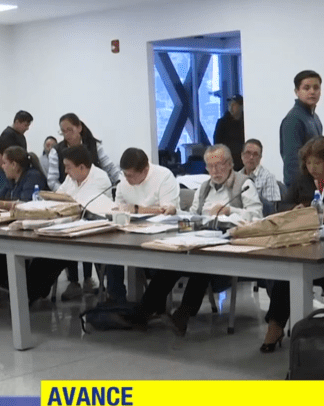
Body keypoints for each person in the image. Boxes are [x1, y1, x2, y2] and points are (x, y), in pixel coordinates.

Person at [135, 145, 262, 335]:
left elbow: (257, 216)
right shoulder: (204, 187)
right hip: (201, 237)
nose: (214, 171)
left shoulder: (244, 184)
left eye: (219, 165)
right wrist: (175, 213)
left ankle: (183, 314)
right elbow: (194, 215)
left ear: (230, 164)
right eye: (210, 166)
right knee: (172, 261)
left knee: (202, 262)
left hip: (229, 243)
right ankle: (143, 312)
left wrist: (230, 210)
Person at [260, 136, 324, 353]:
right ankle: (275, 326)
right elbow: (283, 204)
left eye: (317, 163)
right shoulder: (301, 181)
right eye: (309, 163)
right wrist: (293, 209)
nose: (312, 168)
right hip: (306, 243)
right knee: (287, 273)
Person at [27, 146, 113, 306]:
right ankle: (30, 294)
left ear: (82, 167)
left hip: (94, 235)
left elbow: (81, 204)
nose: (65, 171)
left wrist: (67, 203)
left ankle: (32, 293)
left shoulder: (100, 178)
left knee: (52, 258)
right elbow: (58, 198)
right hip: (70, 231)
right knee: (42, 257)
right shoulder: (71, 178)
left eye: (68, 167)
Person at [102, 148, 180, 303]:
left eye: (131, 175)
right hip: (131, 231)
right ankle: (117, 300)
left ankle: (153, 305)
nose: (127, 179)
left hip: (161, 233)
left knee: (157, 262)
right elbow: (118, 207)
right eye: (125, 174)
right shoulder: (124, 181)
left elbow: (168, 211)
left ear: (145, 170)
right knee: (111, 252)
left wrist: (137, 209)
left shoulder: (164, 176)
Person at [0, 146, 49, 290]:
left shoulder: (32, 176)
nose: (2, 167)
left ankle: (13, 285)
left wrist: (0, 204)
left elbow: (26, 204)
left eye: (5, 163)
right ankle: (6, 282)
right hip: (12, 225)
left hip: (31, 229)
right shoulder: (12, 179)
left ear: (14, 165)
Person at [49, 114, 120, 189]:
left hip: (95, 189)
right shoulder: (56, 151)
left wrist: (120, 183)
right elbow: (52, 180)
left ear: (79, 128)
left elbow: (110, 167)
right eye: (63, 131)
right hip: (68, 191)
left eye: (70, 130)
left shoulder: (94, 146)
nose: (66, 134)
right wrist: (63, 192)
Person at [279, 70, 323, 187]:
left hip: (315, 184)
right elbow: (292, 161)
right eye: (306, 88)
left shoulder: (315, 118)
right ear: (297, 91)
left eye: (316, 88)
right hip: (300, 189)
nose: (312, 92)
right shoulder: (293, 120)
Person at [239, 139, 282, 214]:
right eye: (248, 153)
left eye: (255, 154)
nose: (251, 157)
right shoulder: (236, 177)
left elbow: (271, 209)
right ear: (242, 155)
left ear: (260, 157)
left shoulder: (268, 177)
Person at [213, 95, 245, 170]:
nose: (231, 107)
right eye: (230, 104)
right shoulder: (222, 123)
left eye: (234, 105)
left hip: (243, 161)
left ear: (241, 107)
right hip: (228, 161)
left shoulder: (246, 122)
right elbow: (217, 143)